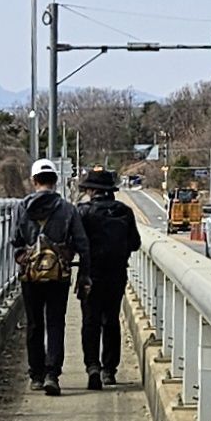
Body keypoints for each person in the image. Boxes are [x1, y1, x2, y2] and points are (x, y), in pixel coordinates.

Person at [13, 159, 79, 394]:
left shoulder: (21, 207)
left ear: (34, 181)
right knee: (55, 322)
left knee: (34, 324)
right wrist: (83, 272)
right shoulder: (68, 209)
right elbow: (81, 241)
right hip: (58, 274)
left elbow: (15, 241)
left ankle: (36, 375)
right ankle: (53, 373)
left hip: (30, 275)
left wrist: (24, 258)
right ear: (56, 181)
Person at [72, 167, 141, 389]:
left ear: (91, 190)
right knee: (111, 319)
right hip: (116, 274)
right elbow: (135, 243)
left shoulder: (82, 212)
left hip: (89, 274)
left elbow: (74, 244)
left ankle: (92, 366)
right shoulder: (124, 211)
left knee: (90, 321)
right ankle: (109, 370)